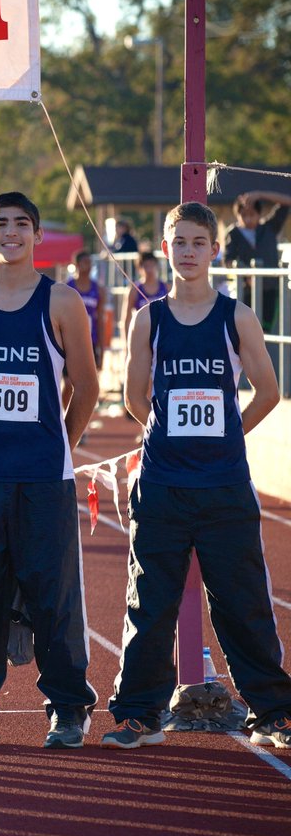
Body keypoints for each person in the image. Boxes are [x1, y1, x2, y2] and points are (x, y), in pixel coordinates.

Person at [103, 201, 291, 749]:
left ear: (214, 250)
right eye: (178, 242)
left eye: (197, 243)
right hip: (162, 485)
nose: (187, 252)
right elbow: (137, 398)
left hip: (225, 486)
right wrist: (169, 436)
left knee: (244, 600)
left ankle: (273, 712)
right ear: (165, 249)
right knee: (149, 603)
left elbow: (269, 390)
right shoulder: (149, 319)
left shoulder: (236, 316)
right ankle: (139, 713)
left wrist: (229, 432)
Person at [0, 192, 99, 749]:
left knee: (52, 594)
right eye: (0, 224)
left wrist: (58, 445)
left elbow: (87, 387)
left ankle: (68, 708)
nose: (11, 232)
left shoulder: (62, 301)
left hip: (43, 478)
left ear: (37, 235)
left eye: (21, 224)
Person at [222, 190, 290, 328]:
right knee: (246, 327)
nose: (248, 219)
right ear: (238, 215)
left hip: (271, 287)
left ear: (259, 214)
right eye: (243, 215)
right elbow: (227, 260)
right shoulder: (233, 233)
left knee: (266, 327)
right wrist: (244, 273)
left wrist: (260, 195)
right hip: (245, 290)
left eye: (252, 214)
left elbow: (287, 201)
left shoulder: (270, 227)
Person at [122, 249, 169, 341]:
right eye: (146, 266)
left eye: (152, 265)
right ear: (139, 268)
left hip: (162, 337)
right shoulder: (134, 290)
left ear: (157, 265)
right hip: (142, 336)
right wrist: (126, 344)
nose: (149, 269)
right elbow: (126, 318)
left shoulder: (167, 288)